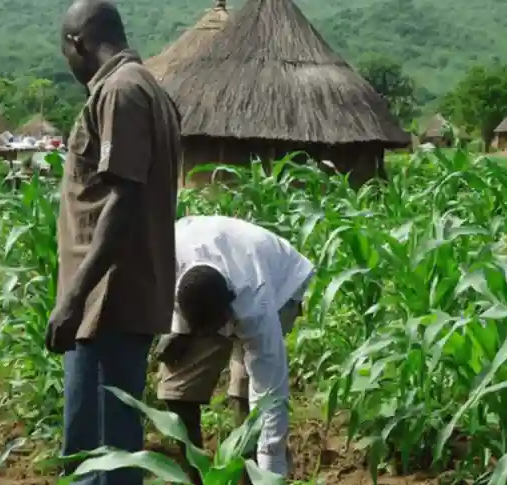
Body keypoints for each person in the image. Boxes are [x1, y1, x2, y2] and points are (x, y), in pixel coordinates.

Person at [44, 1, 182, 484]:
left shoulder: (121, 91)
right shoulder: (145, 87)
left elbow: (122, 199)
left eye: (65, 52)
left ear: (76, 43)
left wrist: (75, 297)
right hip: (114, 297)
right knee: (109, 443)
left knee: (97, 454)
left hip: (106, 301)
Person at [155, 215, 315, 482]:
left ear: (229, 308)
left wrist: (271, 475)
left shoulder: (255, 305)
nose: (215, 335)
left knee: (247, 392)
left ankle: (250, 475)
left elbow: (271, 395)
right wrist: (179, 331)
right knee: (177, 387)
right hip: (199, 262)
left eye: (219, 326)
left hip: (282, 281)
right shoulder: (165, 261)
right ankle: (193, 478)